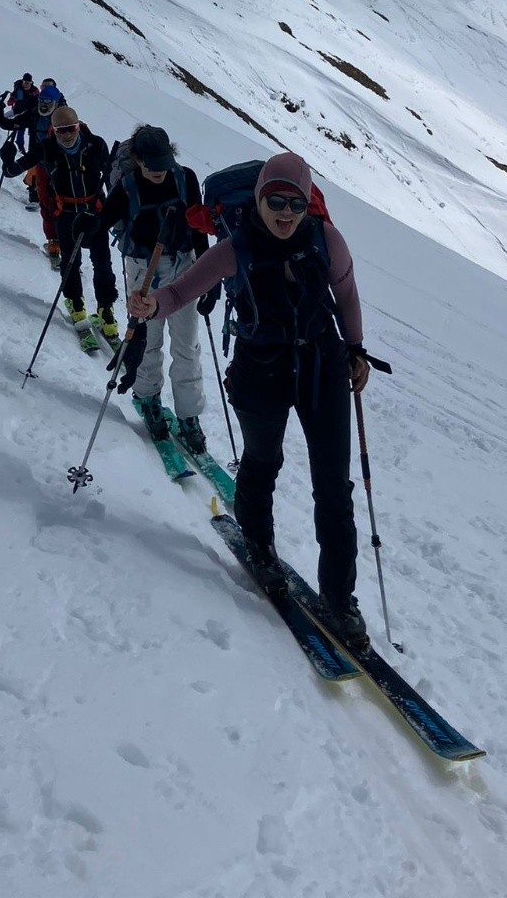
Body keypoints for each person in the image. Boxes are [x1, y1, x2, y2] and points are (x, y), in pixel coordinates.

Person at [127, 151, 371, 649]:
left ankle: (339, 597)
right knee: (263, 460)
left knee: (333, 484)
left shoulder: (327, 240)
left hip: (322, 365)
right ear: (258, 199)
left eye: (295, 203)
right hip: (261, 370)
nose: (285, 212)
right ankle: (259, 546)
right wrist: (152, 304)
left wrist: (355, 348)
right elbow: (181, 292)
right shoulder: (236, 246)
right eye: (274, 200)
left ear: (309, 205)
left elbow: (346, 295)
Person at [100, 126, 209, 452]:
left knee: (187, 345)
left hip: (183, 266)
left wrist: (206, 275)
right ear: (137, 160)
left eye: (164, 164)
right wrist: (86, 226)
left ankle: (189, 415)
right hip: (142, 271)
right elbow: (102, 222)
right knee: (148, 340)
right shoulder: (127, 187)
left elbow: (198, 228)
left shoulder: (185, 178)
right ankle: (148, 398)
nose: (159, 172)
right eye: (152, 166)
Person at [1, 106, 120, 340]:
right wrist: (7, 159)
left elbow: (113, 180)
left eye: (71, 129)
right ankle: (76, 302)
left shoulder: (96, 144)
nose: (66, 135)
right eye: (61, 130)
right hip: (66, 212)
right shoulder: (46, 148)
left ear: (79, 126)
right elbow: (14, 170)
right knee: (70, 260)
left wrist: (118, 213)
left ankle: (106, 308)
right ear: (54, 130)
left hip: (95, 213)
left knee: (103, 262)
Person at [0, 79, 67, 246]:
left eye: (46, 102)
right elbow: (12, 123)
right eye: (41, 101)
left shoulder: (64, 117)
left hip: (59, 166)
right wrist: (0, 115)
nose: (43, 105)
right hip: (40, 161)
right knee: (46, 201)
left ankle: (60, 242)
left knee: (59, 202)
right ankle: (54, 243)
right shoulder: (35, 114)